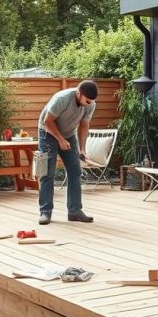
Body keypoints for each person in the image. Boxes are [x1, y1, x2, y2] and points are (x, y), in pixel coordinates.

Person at [37, 80, 98, 225]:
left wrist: (82, 148)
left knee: (75, 171)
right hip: (48, 133)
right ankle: (45, 212)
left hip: (69, 134)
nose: (90, 104)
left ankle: (74, 211)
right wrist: (60, 140)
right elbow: (48, 121)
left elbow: (84, 125)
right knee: (47, 173)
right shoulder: (62, 99)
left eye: (92, 102)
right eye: (87, 101)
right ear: (79, 93)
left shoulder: (91, 104)